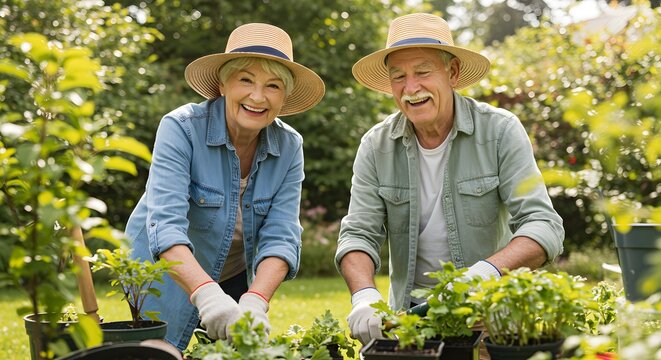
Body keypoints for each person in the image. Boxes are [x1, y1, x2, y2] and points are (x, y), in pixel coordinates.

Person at [335, 13, 564, 346]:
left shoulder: (500, 131)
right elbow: (358, 233)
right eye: (398, 77)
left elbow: (544, 225)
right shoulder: (376, 145)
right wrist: (365, 296)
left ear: (452, 72)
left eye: (423, 72)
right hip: (408, 322)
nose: (410, 89)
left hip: (488, 319)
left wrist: (486, 272)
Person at [125, 23, 325, 351]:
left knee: (231, 354)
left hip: (234, 270)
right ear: (222, 84)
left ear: (284, 96)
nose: (258, 97)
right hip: (166, 269)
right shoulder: (181, 128)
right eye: (246, 80)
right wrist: (206, 294)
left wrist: (256, 300)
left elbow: (282, 235)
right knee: (163, 352)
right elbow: (166, 228)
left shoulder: (289, 146)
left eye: (273, 86)